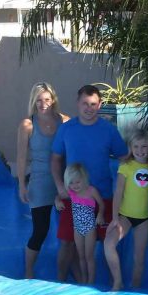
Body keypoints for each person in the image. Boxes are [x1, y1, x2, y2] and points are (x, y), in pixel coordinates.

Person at [51, 85, 128, 282]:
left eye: (93, 104)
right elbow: (55, 159)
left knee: (107, 242)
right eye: (85, 103)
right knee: (68, 242)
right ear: (78, 104)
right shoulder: (66, 129)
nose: (89, 108)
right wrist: (60, 187)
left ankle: (113, 286)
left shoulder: (109, 131)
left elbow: (125, 159)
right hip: (73, 196)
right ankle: (60, 283)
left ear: (100, 105)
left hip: (102, 197)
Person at [16, 82, 69, 279]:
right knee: (41, 230)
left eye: (47, 99)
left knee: (68, 232)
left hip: (63, 182)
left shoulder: (65, 121)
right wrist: (22, 184)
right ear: (33, 102)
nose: (43, 104)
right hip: (39, 182)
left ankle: (64, 272)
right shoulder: (27, 125)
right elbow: (21, 157)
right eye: (38, 100)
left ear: (53, 99)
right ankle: (29, 271)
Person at [104, 130, 148, 291]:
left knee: (139, 258)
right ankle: (117, 280)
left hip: (144, 219)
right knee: (109, 243)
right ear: (130, 148)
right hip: (125, 217)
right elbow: (118, 192)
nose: (140, 150)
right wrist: (114, 218)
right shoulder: (126, 166)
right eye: (136, 146)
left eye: (144, 146)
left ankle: (135, 288)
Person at [63, 163, 105, 284]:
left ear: (84, 179)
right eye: (71, 183)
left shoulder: (91, 191)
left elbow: (101, 204)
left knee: (89, 257)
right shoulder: (71, 193)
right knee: (81, 256)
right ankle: (84, 280)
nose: (75, 186)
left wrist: (100, 214)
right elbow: (58, 196)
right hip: (78, 229)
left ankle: (91, 281)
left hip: (90, 228)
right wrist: (56, 201)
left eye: (78, 182)